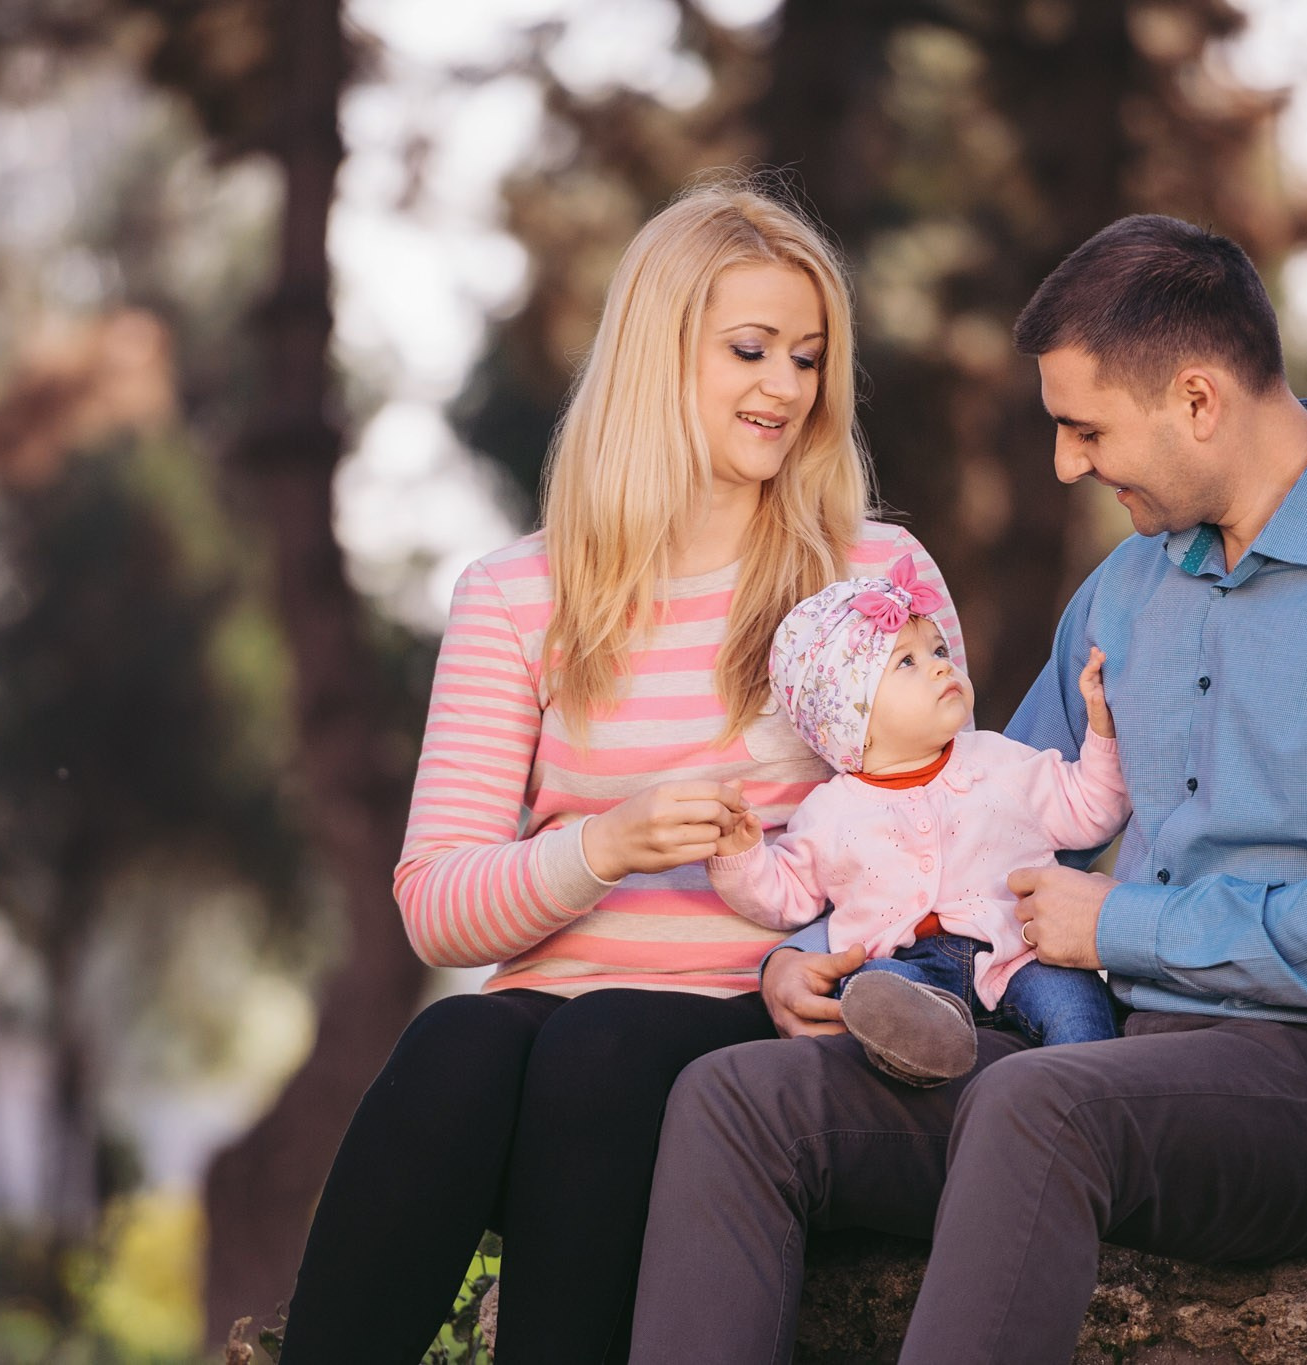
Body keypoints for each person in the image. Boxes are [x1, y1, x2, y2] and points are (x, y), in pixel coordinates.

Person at [628, 213, 1307, 1364]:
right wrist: (813, 940)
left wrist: (1124, 923)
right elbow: (981, 827)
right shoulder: (1121, 589)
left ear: (1197, 401)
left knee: (1035, 1108)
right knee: (737, 1101)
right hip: (1109, 1059)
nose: (1066, 463)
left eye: (1084, 429)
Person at [277, 179, 965, 1364]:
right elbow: (436, 903)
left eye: (805, 358)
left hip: (767, 1019)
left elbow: (949, 831)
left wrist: (825, 964)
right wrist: (603, 846)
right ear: (656, 356)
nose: (785, 389)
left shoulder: (875, 573)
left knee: (597, 1048)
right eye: (748, 350)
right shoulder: (517, 595)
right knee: (457, 1044)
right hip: (547, 1041)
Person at [706, 556, 1127, 1085]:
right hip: (909, 969)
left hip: (1019, 954)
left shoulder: (1000, 762)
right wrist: (739, 855)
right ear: (849, 718)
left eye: (938, 650)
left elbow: (1092, 809)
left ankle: (1090, 1098)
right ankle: (924, 1060)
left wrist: (1101, 735)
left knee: (1076, 1002)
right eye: (906, 662)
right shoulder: (831, 812)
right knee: (873, 985)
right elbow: (786, 894)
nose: (940, 666)